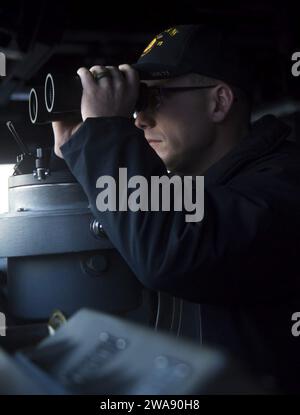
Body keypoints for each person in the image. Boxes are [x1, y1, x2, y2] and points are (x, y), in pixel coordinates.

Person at [52, 25, 300, 392]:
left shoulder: (284, 182)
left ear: (219, 102)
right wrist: (86, 148)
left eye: (154, 98)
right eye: (136, 102)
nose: (139, 119)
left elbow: (173, 253)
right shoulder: (195, 191)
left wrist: (105, 136)